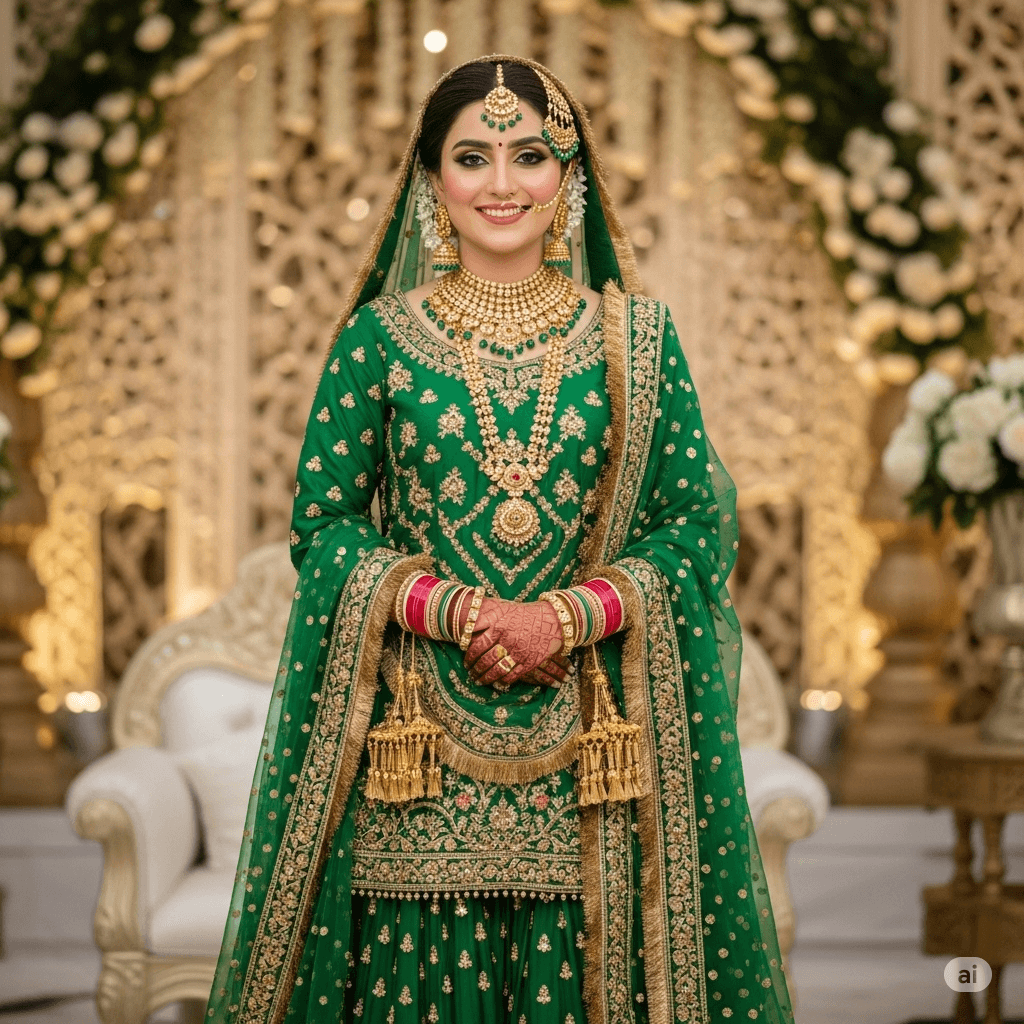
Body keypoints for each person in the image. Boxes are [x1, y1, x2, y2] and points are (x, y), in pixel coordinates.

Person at [205, 55, 795, 1024]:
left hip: (597, 750)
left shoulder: (638, 340)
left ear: (569, 174)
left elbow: (695, 524)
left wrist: (565, 616)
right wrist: (462, 608)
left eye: (529, 154)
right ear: (431, 180)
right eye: (471, 156)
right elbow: (324, 526)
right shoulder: (377, 340)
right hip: (415, 748)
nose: (502, 182)